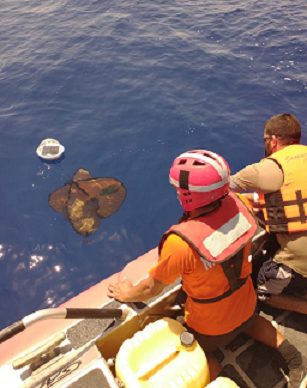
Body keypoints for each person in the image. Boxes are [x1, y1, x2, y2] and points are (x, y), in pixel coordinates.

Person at [107, 150, 303, 387]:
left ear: (188, 196)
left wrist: (127, 293)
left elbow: (151, 289)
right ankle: (292, 355)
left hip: (210, 325)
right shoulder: (241, 205)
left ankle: (221, 378)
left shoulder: (180, 244)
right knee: (249, 321)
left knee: (195, 348)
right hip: (246, 303)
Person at [230, 113, 307, 315]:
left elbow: (219, 187)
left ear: (273, 141)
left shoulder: (265, 169)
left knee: (261, 291)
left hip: (302, 262)